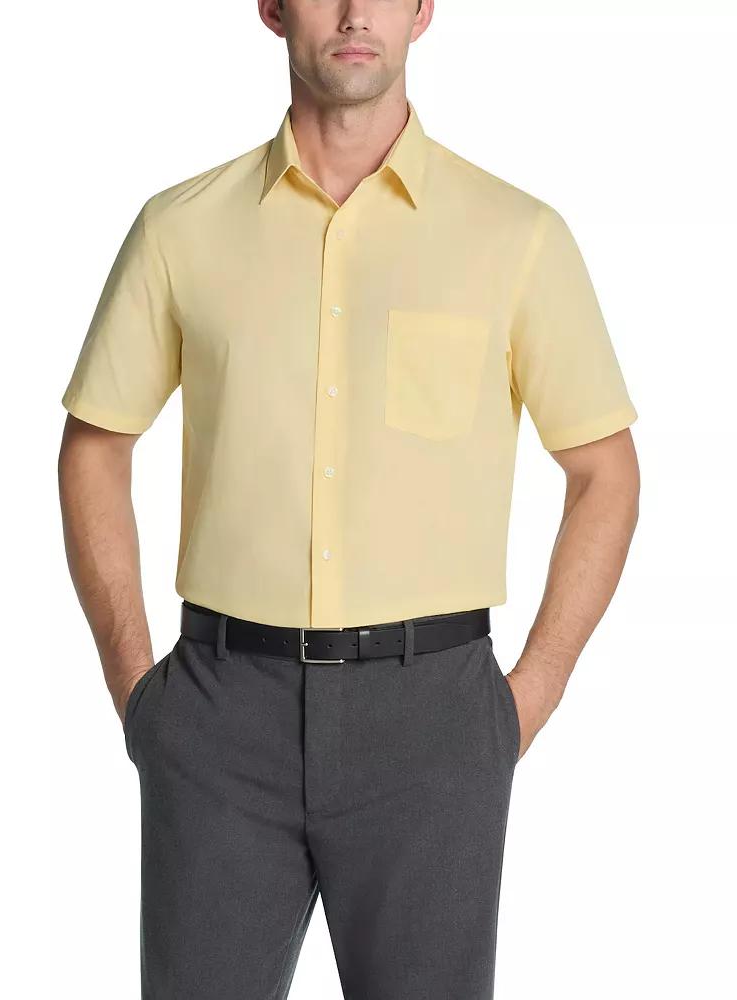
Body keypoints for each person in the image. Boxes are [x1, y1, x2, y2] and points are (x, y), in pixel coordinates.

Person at [57, 1, 640, 996]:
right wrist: (137, 689)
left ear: (422, 12)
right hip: (218, 713)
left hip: (433, 718)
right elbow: (96, 446)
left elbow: (605, 473)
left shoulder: (516, 237)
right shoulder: (179, 229)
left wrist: (523, 701)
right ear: (273, 7)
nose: (356, 12)